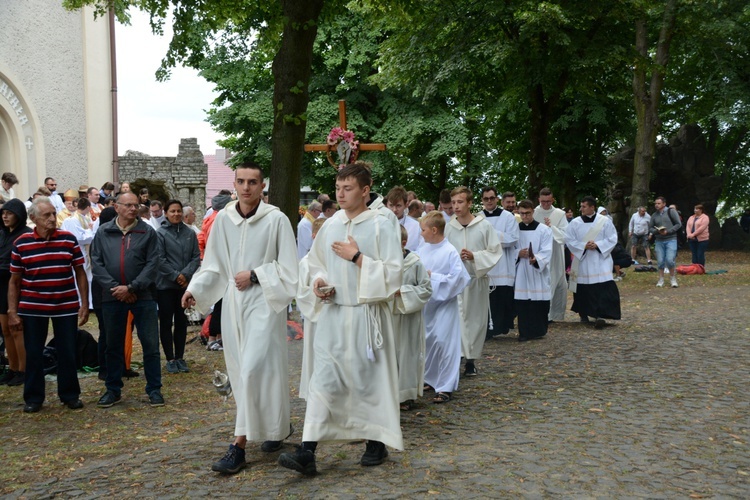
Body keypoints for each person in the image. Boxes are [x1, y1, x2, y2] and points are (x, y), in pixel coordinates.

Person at [278, 162, 403, 476]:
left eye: (348, 188)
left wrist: (358, 258)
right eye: (338, 188)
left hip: (366, 315)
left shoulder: (381, 224)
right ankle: (308, 450)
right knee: (324, 381)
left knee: (367, 382)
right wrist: (318, 282)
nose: (341, 194)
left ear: (365, 189)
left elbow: (393, 273)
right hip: (334, 315)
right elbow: (313, 262)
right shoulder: (331, 224)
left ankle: (375, 441)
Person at [182, 162, 298, 475]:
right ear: (235, 184)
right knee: (247, 370)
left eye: (253, 182)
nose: (246, 188)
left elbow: (290, 269)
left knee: (253, 368)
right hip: (234, 305)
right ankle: (276, 426)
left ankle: (239, 445)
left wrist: (257, 275)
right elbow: (214, 265)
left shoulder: (276, 220)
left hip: (265, 305)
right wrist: (196, 289)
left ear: (263, 186)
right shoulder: (224, 221)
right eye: (241, 181)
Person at [8, 197, 89, 412]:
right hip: (33, 308)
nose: (52, 218)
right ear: (33, 218)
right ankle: (34, 398)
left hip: (65, 306)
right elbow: (14, 281)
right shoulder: (21, 244)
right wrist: (12, 311)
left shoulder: (68, 240)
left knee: (68, 351)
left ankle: (70, 395)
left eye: (54, 214)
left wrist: (83, 304)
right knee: (33, 352)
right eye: (47, 215)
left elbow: (80, 273)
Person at [91, 191, 164, 408]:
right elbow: (97, 263)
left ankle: (154, 389)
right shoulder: (104, 232)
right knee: (113, 345)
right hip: (112, 297)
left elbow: (153, 263)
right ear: (117, 207)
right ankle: (113, 389)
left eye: (135, 205)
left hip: (144, 295)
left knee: (150, 344)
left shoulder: (147, 232)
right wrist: (116, 289)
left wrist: (132, 287)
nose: (133, 209)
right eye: (128, 205)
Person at [445, 186, 502, 377]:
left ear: (469, 203)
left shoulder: (484, 226)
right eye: (453, 202)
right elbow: (443, 251)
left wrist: (474, 256)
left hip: (476, 281)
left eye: (460, 202)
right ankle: (457, 358)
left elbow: (494, 251)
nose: (456, 206)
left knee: (475, 322)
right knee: (457, 321)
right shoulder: (449, 227)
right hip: (456, 283)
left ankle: (471, 360)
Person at [415, 211, 470, 404]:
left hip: (445, 305)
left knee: (445, 343)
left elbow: (459, 279)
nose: (420, 233)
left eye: (423, 230)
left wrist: (433, 277)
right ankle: (430, 378)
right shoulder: (423, 248)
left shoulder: (449, 251)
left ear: (434, 230)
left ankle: (446, 387)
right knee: (428, 342)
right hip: (427, 304)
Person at [156, 199, 200, 374]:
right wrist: (176, 275)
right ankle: (170, 358)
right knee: (166, 322)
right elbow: (159, 258)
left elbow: (196, 257)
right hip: (166, 285)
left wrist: (186, 275)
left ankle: (180, 357)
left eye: (178, 211)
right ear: (166, 213)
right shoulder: (160, 233)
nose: (176, 214)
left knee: (182, 321)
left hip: (184, 286)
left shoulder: (189, 233)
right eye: (172, 211)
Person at [565, 196, 621, 329]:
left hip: (600, 259)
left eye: (584, 206)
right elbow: (569, 239)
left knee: (603, 286)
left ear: (592, 207)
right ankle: (584, 313)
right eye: (581, 206)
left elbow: (612, 238)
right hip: (583, 260)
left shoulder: (605, 221)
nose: (581, 209)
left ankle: (601, 314)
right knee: (583, 287)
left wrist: (598, 245)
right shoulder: (575, 223)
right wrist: (583, 246)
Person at [392, 225, 431, 410]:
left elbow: (426, 288)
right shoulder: (383, 262)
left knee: (407, 354)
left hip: (408, 318)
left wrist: (404, 292)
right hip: (388, 316)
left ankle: (405, 395)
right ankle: (389, 394)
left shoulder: (414, 263)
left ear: (403, 243)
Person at [0, 199, 32, 386]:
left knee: (17, 329)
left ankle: (23, 369)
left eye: (9, 213)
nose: (5, 216)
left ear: (19, 215)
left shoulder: (25, 235)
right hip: (1, 286)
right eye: (3, 213)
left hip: (17, 285)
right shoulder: (3, 234)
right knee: (5, 330)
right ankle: (12, 368)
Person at [480, 186, 519, 338]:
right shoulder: (477, 218)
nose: (489, 201)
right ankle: (487, 330)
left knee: (502, 299)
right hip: (485, 266)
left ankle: (502, 326)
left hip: (503, 265)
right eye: (486, 198)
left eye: (492, 198)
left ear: (497, 199)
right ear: (482, 200)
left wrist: (490, 235)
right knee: (487, 300)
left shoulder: (508, 217)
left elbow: (513, 238)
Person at [515, 200, 554, 341]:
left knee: (538, 301)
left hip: (537, 270)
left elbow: (548, 250)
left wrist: (536, 259)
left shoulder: (544, 229)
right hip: (521, 271)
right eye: (522, 213)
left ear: (533, 212)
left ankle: (538, 330)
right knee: (523, 302)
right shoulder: (515, 229)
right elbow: (509, 250)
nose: (525, 216)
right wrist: (518, 254)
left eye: (528, 213)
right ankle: (524, 332)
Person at [297, 218, 326, 401]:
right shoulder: (306, 262)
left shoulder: (337, 259)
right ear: (313, 236)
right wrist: (318, 295)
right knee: (316, 358)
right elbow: (301, 293)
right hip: (316, 317)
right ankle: (315, 396)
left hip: (336, 316)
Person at [533, 188, 568, 323]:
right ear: (539, 200)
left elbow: (565, 235)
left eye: (548, 201)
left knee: (555, 279)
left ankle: (553, 314)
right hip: (539, 252)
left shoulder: (559, 214)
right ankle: (541, 313)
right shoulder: (534, 213)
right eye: (543, 201)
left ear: (553, 200)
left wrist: (551, 227)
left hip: (555, 253)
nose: (546, 204)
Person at [60, 198, 95, 305]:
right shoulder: (72, 220)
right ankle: (79, 302)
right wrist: (90, 231)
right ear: (88, 207)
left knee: (88, 276)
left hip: (85, 251)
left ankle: (89, 302)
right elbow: (78, 237)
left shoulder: (84, 218)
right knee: (78, 276)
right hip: (78, 251)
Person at [649, 197, 682, 288]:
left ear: (664, 204)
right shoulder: (654, 215)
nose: (656, 205)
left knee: (670, 260)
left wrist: (669, 231)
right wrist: (657, 231)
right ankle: (661, 279)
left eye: (659, 203)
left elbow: (678, 224)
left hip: (671, 239)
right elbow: (650, 228)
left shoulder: (671, 212)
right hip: (659, 240)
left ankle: (672, 278)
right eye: (655, 203)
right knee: (660, 261)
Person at [386, 185, 422, 251]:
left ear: (406, 205)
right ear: (386, 205)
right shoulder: (380, 224)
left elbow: (421, 249)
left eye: (398, 206)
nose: (394, 209)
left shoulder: (416, 227)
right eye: (391, 205)